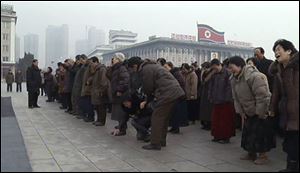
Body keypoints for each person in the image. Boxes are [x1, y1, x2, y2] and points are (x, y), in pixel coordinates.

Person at [127, 56, 185, 150]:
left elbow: (148, 87)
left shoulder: (146, 69)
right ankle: (161, 141)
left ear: (135, 65)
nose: (133, 71)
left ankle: (155, 143)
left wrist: (147, 100)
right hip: (174, 92)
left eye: (132, 68)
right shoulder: (151, 66)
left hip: (167, 93)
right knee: (164, 118)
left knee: (157, 118)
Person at [228, 56, 275, 165]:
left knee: (260, 134)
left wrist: (260, 112)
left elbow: (262, 96)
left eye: (232, 67)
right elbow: (236, 97)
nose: (230, 70)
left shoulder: (254, 76)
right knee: (248, 134)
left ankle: (263, 156)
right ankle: (251, 153)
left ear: (240, 65)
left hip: (259, 111)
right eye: (229, 68)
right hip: (247, 111)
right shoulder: (234, 79)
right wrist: (241, 112)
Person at [269, 39, 299, 172]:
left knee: (294, 142)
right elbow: (276, 93)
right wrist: (272, 108)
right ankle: (291, 167)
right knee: (290, 143)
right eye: (275, 51)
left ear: (289, 51)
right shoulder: (278, 71)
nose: (276, 53)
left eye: (278, 49)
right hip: (287, 112)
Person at [208, 59, 235, 144]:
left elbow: (229, 88)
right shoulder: (214, 74)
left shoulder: (227, 73)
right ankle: (217, 136)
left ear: (219, 65)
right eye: (213, 68)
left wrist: (226, 98)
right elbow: (210, 86)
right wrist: (210, 96)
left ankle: (225, 137)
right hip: (216, 100)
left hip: (225, 101)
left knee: (225, 120)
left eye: (215, 68)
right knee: (216, 120)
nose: (215, 70)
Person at [106, 53, 130, 136]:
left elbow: (125, 80)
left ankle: (122, 129)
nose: (113, 60)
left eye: (115, 58)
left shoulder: (121, 68)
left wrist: (120, 90)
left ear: (119, 59)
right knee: (118, 113)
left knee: (120, 113)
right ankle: (120, 127)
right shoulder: (115, 68)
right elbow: (108, 75)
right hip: (115, 93)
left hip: (120, 94)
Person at [164, 62, 188, 134]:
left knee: (176, 112)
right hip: (174, 95)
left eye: (166, 67)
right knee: (173, 112)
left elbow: (180, 83)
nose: (165, 69)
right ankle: (174, 127)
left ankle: (176, 128)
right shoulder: (173, 73)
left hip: (178, 95)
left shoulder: (176, 73)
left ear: (170, 67)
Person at [90, 56, 109, 126]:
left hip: (100, 91)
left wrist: (101, 90)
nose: (91, 65)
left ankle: (102, 121)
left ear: (96, 62)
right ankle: (98, 119)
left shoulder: (102, 69)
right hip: (96, 90)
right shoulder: (96, 69)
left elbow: (103, 81)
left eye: (92, 63)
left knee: (101, 107)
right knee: (97, 107)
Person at [199, 62, 214, 130]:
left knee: (208, 110)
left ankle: (209, 124)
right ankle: (205, 123)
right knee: (205, 109)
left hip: (209, 93)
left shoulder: (211, 74)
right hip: (205, 92)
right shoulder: (205, 72)